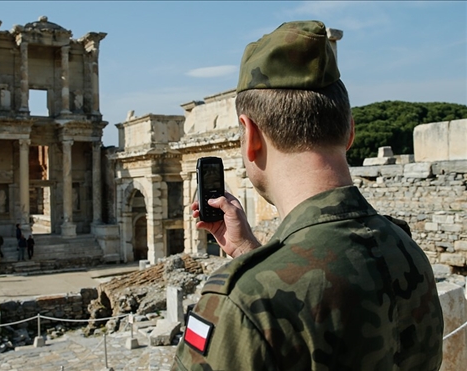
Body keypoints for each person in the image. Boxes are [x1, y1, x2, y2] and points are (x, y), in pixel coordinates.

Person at [172, 21, 444, 371]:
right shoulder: (405, 250)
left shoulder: (243, 303)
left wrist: (253, 274)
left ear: (251, 136)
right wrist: (249, 254)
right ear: (350, 132)